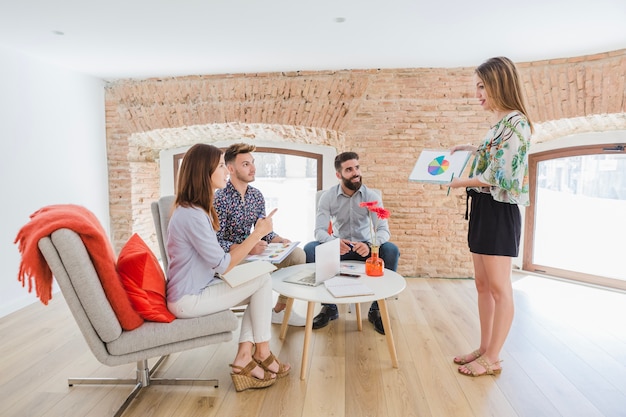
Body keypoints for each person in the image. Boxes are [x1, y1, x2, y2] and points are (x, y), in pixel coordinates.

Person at [165, 143, 290, 392]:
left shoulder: (196, 209)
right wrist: (257, 235)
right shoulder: (191, 215)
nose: (226, 171)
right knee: (263, 281)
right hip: (188, 299)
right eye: (221, 166)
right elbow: (222, 264)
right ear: (205, 171)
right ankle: (260, 352)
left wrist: (264, 235)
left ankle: (247, 354)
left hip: (201, 286)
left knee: (262, 279)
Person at [448, 56, 533, 377]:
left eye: (482, 86)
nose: (478, 94)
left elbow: (503, 176)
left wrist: (461, 181)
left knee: (500, 287)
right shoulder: (500, 124)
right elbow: (495, 157)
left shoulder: (517, 122)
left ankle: (494, 357)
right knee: (482, 284)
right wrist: (470, 148)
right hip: (484, 207)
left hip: (500, 210)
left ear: (499, 84)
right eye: (477, 87)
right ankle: (484, 347)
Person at [304, 151, 400, 335]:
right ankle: (329, 308)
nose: (355, 172)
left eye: (357, 167)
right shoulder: (328, 197)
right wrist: (334, 242)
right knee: (310, 249)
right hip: (338, 248)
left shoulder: (371, 196)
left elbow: (383, 230)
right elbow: (319, 231)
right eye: (349, 169)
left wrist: (372, 246)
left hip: (366, 248)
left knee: (391, 250)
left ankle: (376, 309)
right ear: (339, 175)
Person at [214, 143, 307, 327]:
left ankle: (280, 310)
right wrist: (248, 247)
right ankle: (258, 311)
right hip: (232, 257)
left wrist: (278, 240)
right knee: (258, 267)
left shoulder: (256, 196)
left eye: (253, 163)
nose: (253, 168)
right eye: (246, 164)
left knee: (298, 255)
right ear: (231, 168)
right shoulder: (220, 198)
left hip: (253, 250)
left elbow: (263, 231)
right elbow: (216, 241)